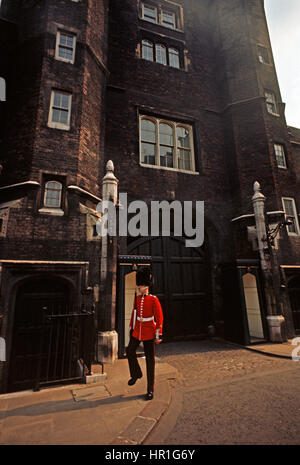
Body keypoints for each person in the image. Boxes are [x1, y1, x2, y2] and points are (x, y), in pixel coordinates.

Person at [126, 266, 163, 401]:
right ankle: (136, 374)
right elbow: (134, 314)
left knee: (150, 361)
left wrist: (158, 336)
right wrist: (131, 328)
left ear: (146, 286)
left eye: (141, 285)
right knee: (130, 351)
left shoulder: (153, 300)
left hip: (149, 332)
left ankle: (150, 390)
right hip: (137, 330)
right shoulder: (137, 299)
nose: (139, 287)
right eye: (139, 285)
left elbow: (159, 319)